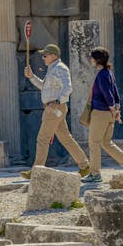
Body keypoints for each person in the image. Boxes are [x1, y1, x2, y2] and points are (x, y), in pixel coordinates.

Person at [22, 43, 90, 179]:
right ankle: (85, 166)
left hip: (54, 108)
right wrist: (31, 77)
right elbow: (44, 87)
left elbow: (68, 87)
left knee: (42, 138)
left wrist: (57, 102)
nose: (43, 58)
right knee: (66, 138)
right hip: (54, 108)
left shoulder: (60, 68)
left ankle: (37, 171)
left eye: (45, 55)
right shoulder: (53, 69)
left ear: (54, 56)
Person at [82, 47, 123, 184]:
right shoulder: (109, 73)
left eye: (91, 57)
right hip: (108, 113)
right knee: (106, 142)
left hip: (101, 113)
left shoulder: (102, 74)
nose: (90, 59)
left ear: (97, 60)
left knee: (94, 142)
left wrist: (113, 109)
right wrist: (116, 108)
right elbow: (115, 92)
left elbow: (107, 94)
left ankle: (95, 174)